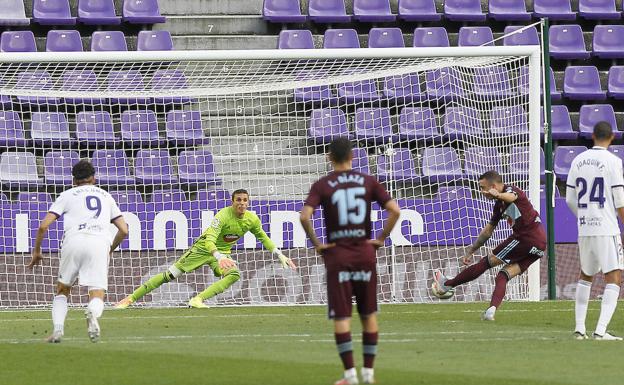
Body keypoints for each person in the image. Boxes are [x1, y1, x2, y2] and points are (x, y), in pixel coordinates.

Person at [300, 137, 400, 385]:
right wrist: (380, 239)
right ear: (353, 157)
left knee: (342, 317)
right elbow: (395, 211)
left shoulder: (323, 184)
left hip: (338, 255)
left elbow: (304, 216)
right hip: (365, 253)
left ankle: (349, 376)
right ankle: (368, 373)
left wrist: (317, 244)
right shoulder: (368, 181)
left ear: (329, 157)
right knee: (368, 314)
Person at [116, 189, 296, 309]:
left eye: (245, 200)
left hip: (222, 254)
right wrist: (218, 256)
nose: (242, 203)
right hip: (203, 249)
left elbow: (262, 237)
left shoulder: (252, 219)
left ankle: (198, 299)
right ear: (232, 202)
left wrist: (279, 254)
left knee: (234, 274)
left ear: (248, 202)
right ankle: (130, 299)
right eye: (238, 200)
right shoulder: (222, 216)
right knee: (170, 275)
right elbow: (209, 239)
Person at [27, 160, 129, 343]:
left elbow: (43, 227)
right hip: (99, 243)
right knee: (97, 293)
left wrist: (36, 251)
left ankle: (57, 331)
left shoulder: (67, 195)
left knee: (62, 290)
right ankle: (92, 312)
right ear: (94, 178)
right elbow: (124, 230)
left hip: (73, 241)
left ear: (74, 180)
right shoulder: (106, 196)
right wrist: (110, 249)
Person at [431, 170, 546, 321]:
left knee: (486, 262)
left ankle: (447, 284)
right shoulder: (498, 205)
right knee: (503, 275)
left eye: (483, 187)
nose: (482, 192)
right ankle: (490, 311)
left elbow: (511, 197)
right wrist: (471, 251)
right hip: (539, 245)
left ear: (493, 186)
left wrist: (498, 194)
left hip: (525, 238)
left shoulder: (511, 190)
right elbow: (487, 232)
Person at [566, 121, 623, 341]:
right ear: (613, 137)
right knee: (614, 277)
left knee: (586, 275)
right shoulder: (613, 162)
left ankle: (580, 329)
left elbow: (571, 198)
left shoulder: (578, 160)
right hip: (606, 226)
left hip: (585, 227)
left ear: (592, 136)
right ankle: (600, 331)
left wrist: (583, 216)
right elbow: (619, 199)